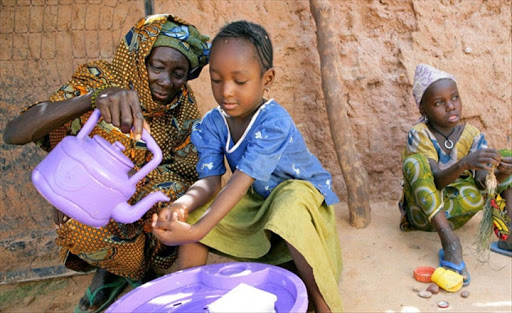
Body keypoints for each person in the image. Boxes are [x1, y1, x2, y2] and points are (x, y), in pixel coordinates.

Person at [3, 14, 210, 313]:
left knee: (177, 197)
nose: (166, 81)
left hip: (136, 210)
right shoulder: (100, 79)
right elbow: (14, 133)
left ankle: (140, 271)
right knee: (116, 136)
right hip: (87, 204)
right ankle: (109, 270)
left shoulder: (183, 108)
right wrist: (92, 99)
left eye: (179, 73)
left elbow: (190, 172)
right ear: (140, 58)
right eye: (158, 67)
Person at [151, 21, 343, 312]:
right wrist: (181, 205)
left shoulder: (274, 121)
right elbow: (211, 182)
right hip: (258, 201)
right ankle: (189, 299)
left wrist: (196, 232)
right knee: (193, 214)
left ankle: (321, 303)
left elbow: (241, 180)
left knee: (289, 205)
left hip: (300, 200)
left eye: (239, 81)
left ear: (267, 79)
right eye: (216, 80)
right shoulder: (214, 123)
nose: (226, 91)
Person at [399, 64, 512, 286]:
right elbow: (436, 181)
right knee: (414, 163)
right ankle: (450, 242)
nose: (451, 107)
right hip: (425, 216)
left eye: (455, 98)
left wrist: (499, 173)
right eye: (439, 103)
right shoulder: (419, 134)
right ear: (423, 110)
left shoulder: (472, 134)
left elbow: (481, 182)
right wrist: (464, 164)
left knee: (506, 156)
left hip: (460, 209)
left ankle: (508, 236)